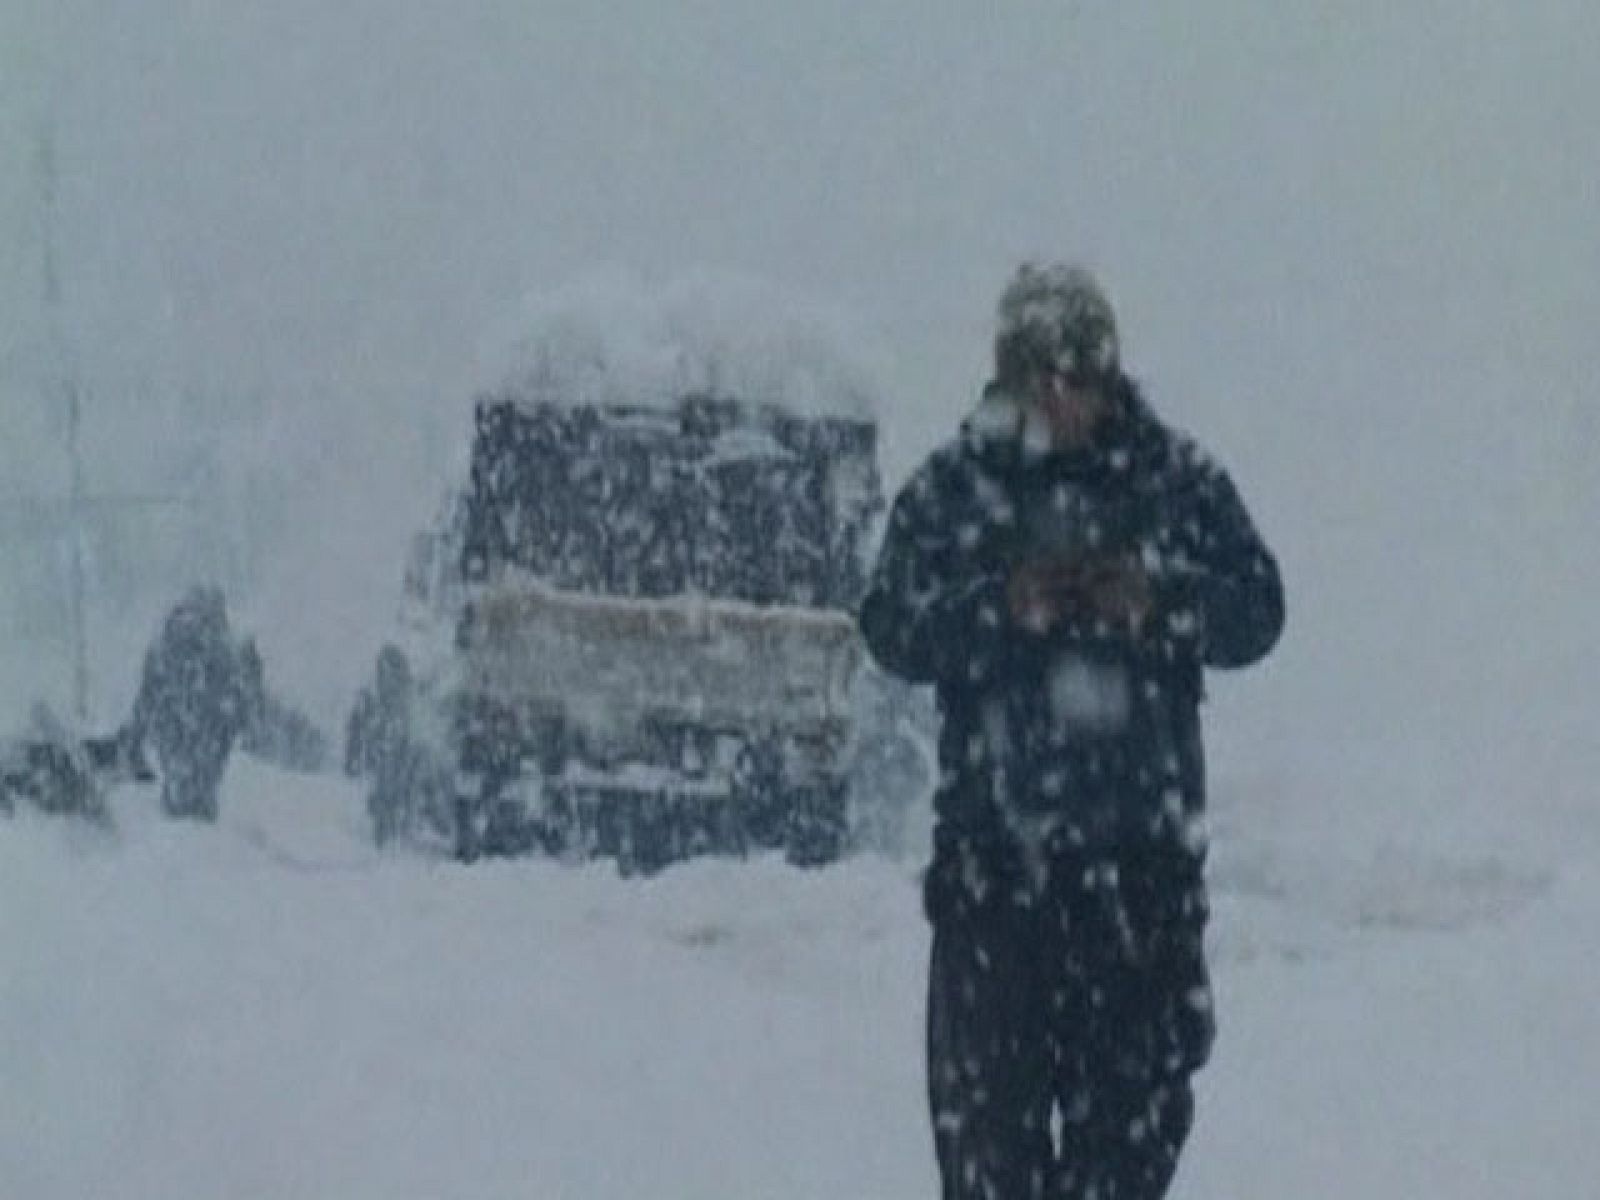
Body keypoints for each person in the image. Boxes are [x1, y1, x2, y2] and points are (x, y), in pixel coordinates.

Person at [859, 263, 1284, 1200]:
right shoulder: (956, 489)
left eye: (1079, 375)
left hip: (1141, 893)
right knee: (990, 1171)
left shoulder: (1176, 481)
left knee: (1125, 1168)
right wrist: (999, 608)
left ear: (1109, 374)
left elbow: (1260, 609)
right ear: (1008, 379)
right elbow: (888, 624)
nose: (1061, 398)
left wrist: (1160, 601)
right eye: (1038, 377)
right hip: (994, 894)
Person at [125, 585, 259, 821]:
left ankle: (178, 811)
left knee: (179, 792)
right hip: (208, 733)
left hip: (173, 732)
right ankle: (198, 820)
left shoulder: (163, 642)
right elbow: (238, 696)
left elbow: (146, 698)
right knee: (200, 796)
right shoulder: (222, 644)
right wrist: (242, 724)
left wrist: (137, 741)